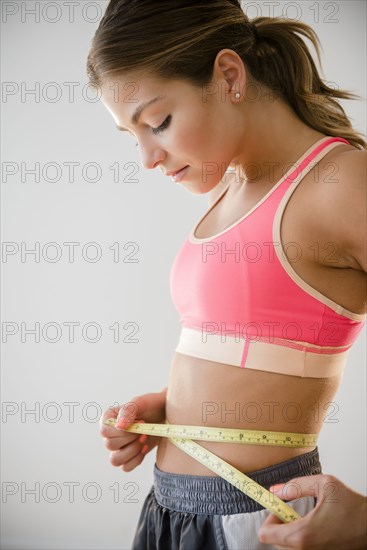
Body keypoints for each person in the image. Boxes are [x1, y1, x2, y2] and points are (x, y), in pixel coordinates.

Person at [86, 0, 367, 548]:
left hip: (255, 520)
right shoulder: (234, 189)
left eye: (158, 122)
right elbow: (264, 346)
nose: (147, 158)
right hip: (167, 514)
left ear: (229, 76)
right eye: (132, 136)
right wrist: (179, 405)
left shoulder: (341, 184)